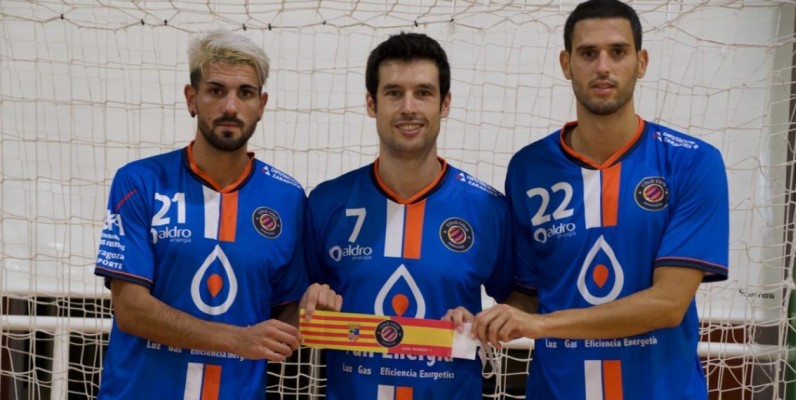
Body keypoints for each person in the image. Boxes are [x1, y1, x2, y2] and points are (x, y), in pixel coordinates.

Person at [454, 0, 729, 398]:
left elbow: (669, 304)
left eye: (618, 52)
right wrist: (478, 320)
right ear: (566, 64)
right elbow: (530, 298)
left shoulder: (692, 161)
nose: (603, 66)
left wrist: (543, 326)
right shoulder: (530, 168)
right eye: (588, 53)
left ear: (642, 62)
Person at [94, 29, 340, 399]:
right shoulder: (140, 181)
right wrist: (237, 339)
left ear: (262, 104)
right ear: (191, 98)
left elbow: (282, 316)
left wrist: (309, 314)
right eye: (215, 90)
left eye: (245, 93)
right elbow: (131, 309)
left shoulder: (288, 198)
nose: (230, 106)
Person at [302, 32, 514, 399]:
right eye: (394, 93)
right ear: (372, 103)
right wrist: (310, 301)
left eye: (424, 93)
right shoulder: (326, 203)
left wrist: (484, 323)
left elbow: (523, 299)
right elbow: (293, 302)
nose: (408, 107)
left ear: (445, 104)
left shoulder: (489, 209)